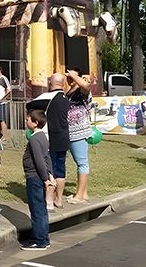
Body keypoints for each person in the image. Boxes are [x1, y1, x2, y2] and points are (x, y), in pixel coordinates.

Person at [26, 73, 69, 210]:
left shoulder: (48, 97)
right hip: (64, 138)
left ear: (51, 82)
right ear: (63, 84)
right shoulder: (66, 98)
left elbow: (30, 106)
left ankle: (49, 201)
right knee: (61, 170)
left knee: (49, 169)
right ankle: (59, 200)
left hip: (50, 138)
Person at [21, 109, 55, 250]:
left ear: (35, 123)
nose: (26, 121)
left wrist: (45, 178)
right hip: (39, 176)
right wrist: (50, 174)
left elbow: (40, 160)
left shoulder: (34, 139)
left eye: (28, 119)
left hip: (34, 177)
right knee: (41, 209)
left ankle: (39, 240)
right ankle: (43, 238)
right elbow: (47, 158)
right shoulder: (43, 137)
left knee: (36, 209)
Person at [65, 69, 92, 204]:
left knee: (82, 163)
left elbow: (86, 86)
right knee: (79, 163)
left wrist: (75, 76)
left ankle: (80, 196)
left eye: (72, 76)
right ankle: (83, 193)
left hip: (80, 132)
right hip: (70, 132)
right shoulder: (69, 92)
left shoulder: (82, 91)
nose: (69, 78)